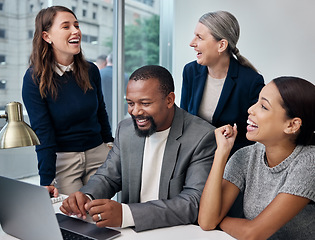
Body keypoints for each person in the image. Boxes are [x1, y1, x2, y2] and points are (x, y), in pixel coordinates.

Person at [60, 65, 217, 232]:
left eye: (145, 103)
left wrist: (127, 214)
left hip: (176, 231)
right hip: (131, 232)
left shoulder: (202, 136)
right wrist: (87, 196)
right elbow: (108, 176)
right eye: (130, 103)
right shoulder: (126, 129)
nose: (135, 112)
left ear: (169, 100)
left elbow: (192, 202)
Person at [198, 77, 315, 239]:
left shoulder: (309, 162)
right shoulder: (245, 156)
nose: (251, 109)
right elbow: (206, 221)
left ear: (292, 125)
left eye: (263, 106)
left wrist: (220, 221)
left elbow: (252, 234)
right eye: (257, 102)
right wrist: (221, 153)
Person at [22, 6, 114, 197]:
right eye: (66, 26)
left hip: (98, 155)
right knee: (75, 219)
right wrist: (46, 180)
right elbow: (43, 131)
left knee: (99, 215)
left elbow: (100, 112)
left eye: (77, 25)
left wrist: (110, 144)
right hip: (64, 160)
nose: (76, 31)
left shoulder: (91, 70)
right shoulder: (34, 78)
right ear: (47, 37)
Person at [180, 10, 265, 155]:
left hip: (232, 159)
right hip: (194, 155)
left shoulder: (251, 81)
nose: (192, 43)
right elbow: (184, 119)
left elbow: (254, 135)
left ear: (221, 45)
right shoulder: (190, 71)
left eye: (199, 37)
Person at [99, 53, 129, 127]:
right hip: (119, 111)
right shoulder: (124, 76)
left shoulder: (99, 73)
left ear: (107, 60)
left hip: (102, 110)